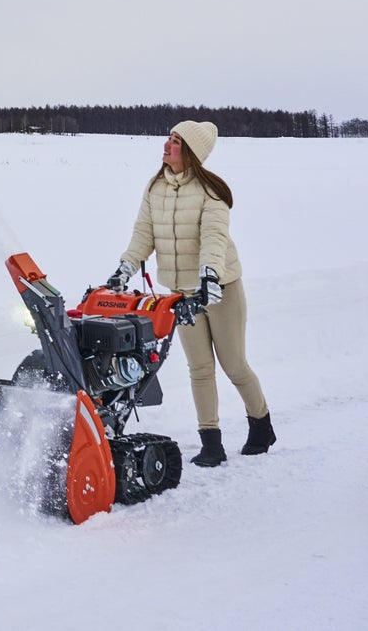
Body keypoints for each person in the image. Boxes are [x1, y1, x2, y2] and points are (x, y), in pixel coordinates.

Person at [105, 120, 274, 467]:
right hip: (181, 294)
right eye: (169, 138)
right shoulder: (155, 187)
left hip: (220, 288)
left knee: (234, 365)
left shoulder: (210, 191)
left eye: (176, 141)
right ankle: (211, 443)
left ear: (191, 152)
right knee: (199, 368)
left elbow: (214, 237)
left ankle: (261, 426)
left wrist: (210, 275)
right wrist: (125, 267)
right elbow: (143, 234)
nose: (167, 145)